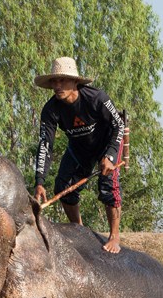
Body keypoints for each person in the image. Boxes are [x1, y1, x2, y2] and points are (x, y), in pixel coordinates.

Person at [33, 57, 125, 253]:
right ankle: (80, 231)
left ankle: (114, 236)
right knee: (63, 187)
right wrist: (39, 181)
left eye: (62, 80)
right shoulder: (50, 110)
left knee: (107, 187)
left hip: (107, 143)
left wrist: (109, 155)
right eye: (54, 82)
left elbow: (118, 125)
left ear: (75, 81)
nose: (57, 86)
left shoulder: (97, 98)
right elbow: (45, 144)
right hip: (79, 147)